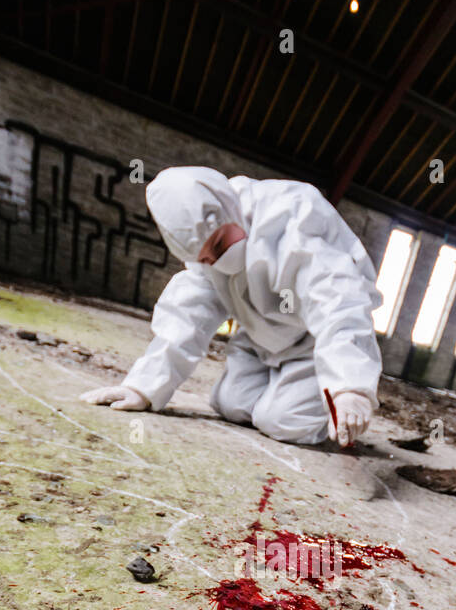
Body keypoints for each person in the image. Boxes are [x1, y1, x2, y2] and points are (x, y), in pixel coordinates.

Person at [80, 166, 382, 447]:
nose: (217, 261)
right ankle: (282, 392)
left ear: (229, 209)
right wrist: (142, 388)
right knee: (229, 402)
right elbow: (187, 315)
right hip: (257, 338)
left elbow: (337, 303)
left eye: (220, 244)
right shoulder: (203, 251)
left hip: (312, 345)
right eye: (205, 258)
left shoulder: (291, 220)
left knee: (281, 419)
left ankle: (313, 403)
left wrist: (350, 387)